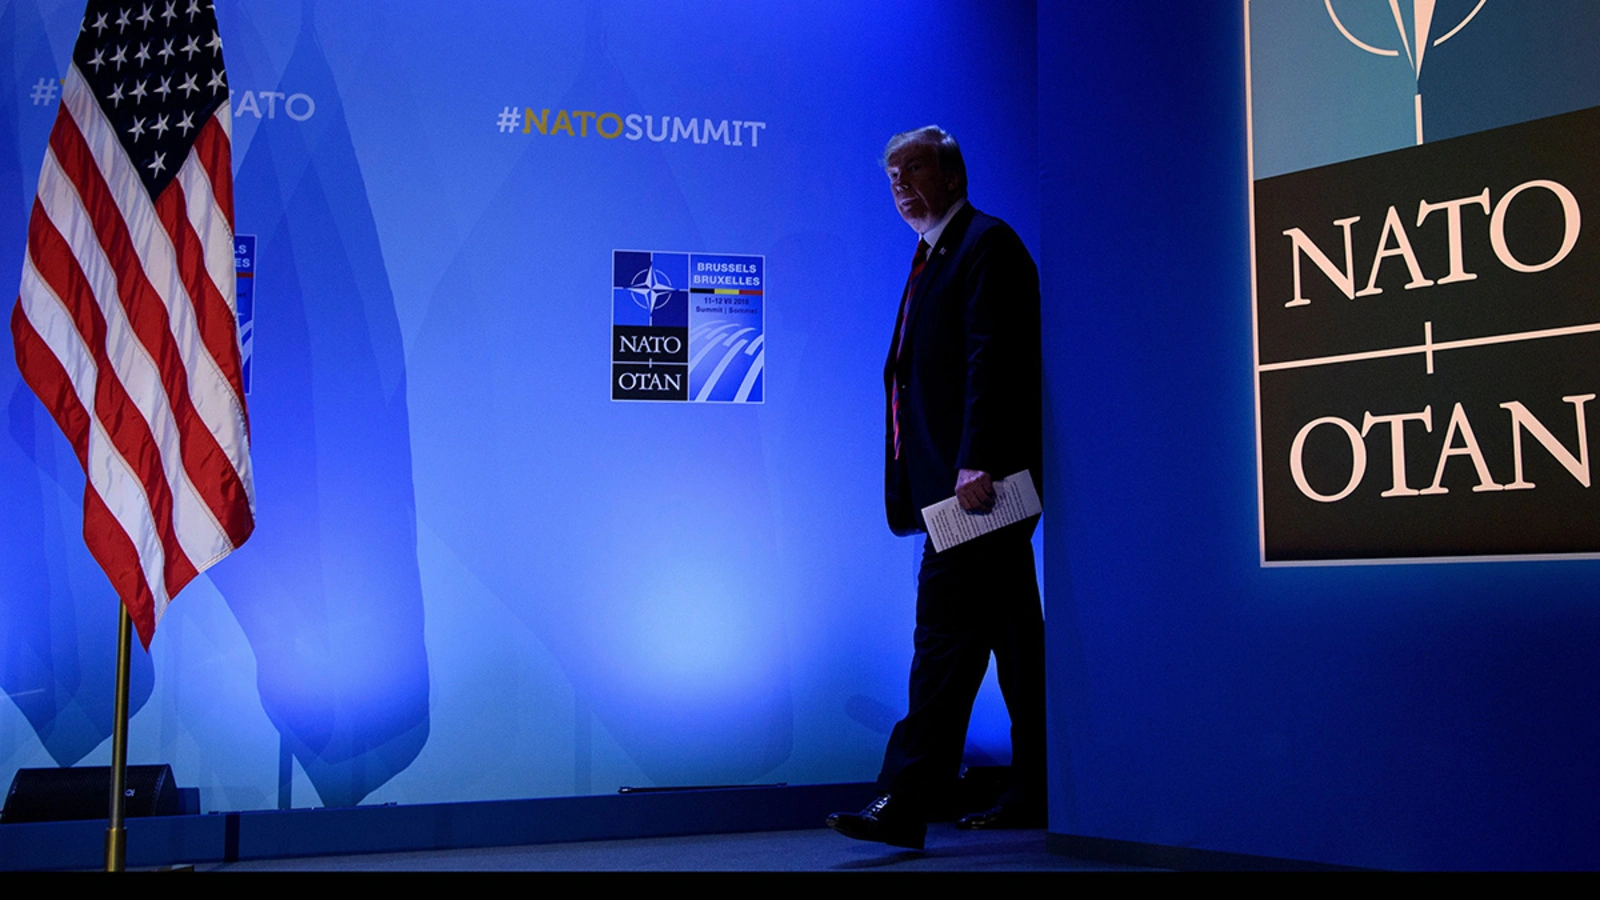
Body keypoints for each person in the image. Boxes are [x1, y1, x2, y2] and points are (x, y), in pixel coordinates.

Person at [827, 126, 1046, 850]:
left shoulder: (986, 244)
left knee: (942, 638)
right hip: (959, 488)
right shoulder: (932, 255)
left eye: (912, 169)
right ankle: (1038, 786)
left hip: (979, 489)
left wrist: (976, 458)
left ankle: (905, 798)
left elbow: (995, 358)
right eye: (891, 175)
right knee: (1015, 640)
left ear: (952, 175)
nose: (899, 184)